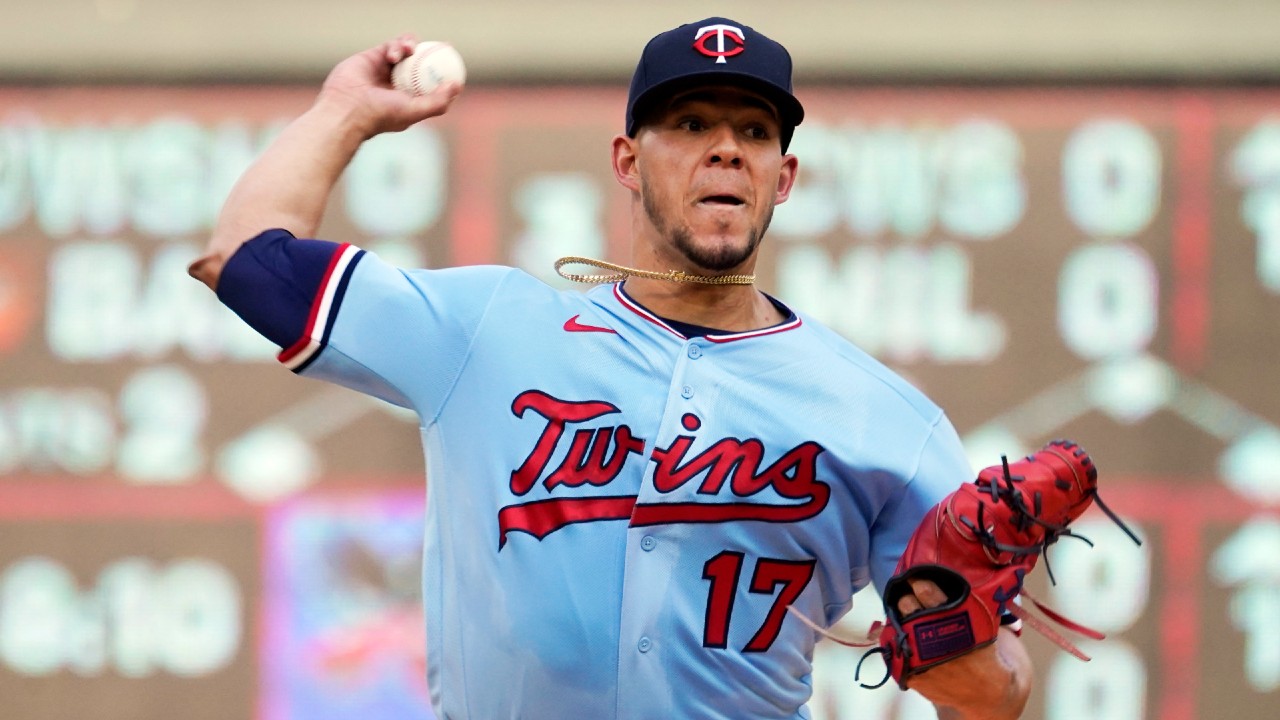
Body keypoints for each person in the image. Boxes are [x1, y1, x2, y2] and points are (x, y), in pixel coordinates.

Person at [190, 17, 1031, 720]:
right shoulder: (490, 331)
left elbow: (992, 697)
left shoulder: (887, 421)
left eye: (754, 132)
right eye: (693, 124)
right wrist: (343, 112)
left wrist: (965, 654)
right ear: (628, 162)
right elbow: (248, 260)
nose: (726, 150)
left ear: (785, 178)